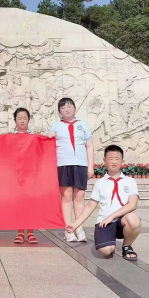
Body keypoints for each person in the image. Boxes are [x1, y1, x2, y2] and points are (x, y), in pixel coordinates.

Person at [66, 145, 141, 260]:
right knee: (106, 251)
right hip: (104, 222)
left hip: (122, 221)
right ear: (105, 161)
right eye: (111, 159)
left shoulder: (130, 182)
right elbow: (90, 206)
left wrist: (112, 216)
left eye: (117, 159)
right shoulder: (100, 183)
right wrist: (76, 225)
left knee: (133, 219)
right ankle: (108, 240)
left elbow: (132, 204)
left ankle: (127, 246)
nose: (114, 162)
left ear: (122, 161)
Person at [48, 98, 94, 242]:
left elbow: (89, 146)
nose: (67, 109)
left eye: (69, 106)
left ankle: (78, 227)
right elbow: (48, 146)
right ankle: (68, 229)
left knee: (79, 197)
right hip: (63, 164)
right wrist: (49, 137)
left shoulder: (83, 125)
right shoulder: (56, 126)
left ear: (74, 108)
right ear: (59, 111)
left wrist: (90, 166)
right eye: (63, 108)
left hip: (80, 164)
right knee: (66, 197)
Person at [12, 108, 38, 245]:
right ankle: (20, 232)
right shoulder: (10, 137)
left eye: (24, 118)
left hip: (30, 176)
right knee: (20, 204)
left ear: (29, 120)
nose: (22, 121)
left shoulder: (34, 137)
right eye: (19, 118)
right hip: (17, 177)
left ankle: (31, 232)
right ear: (15, 120)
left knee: (30, 204)